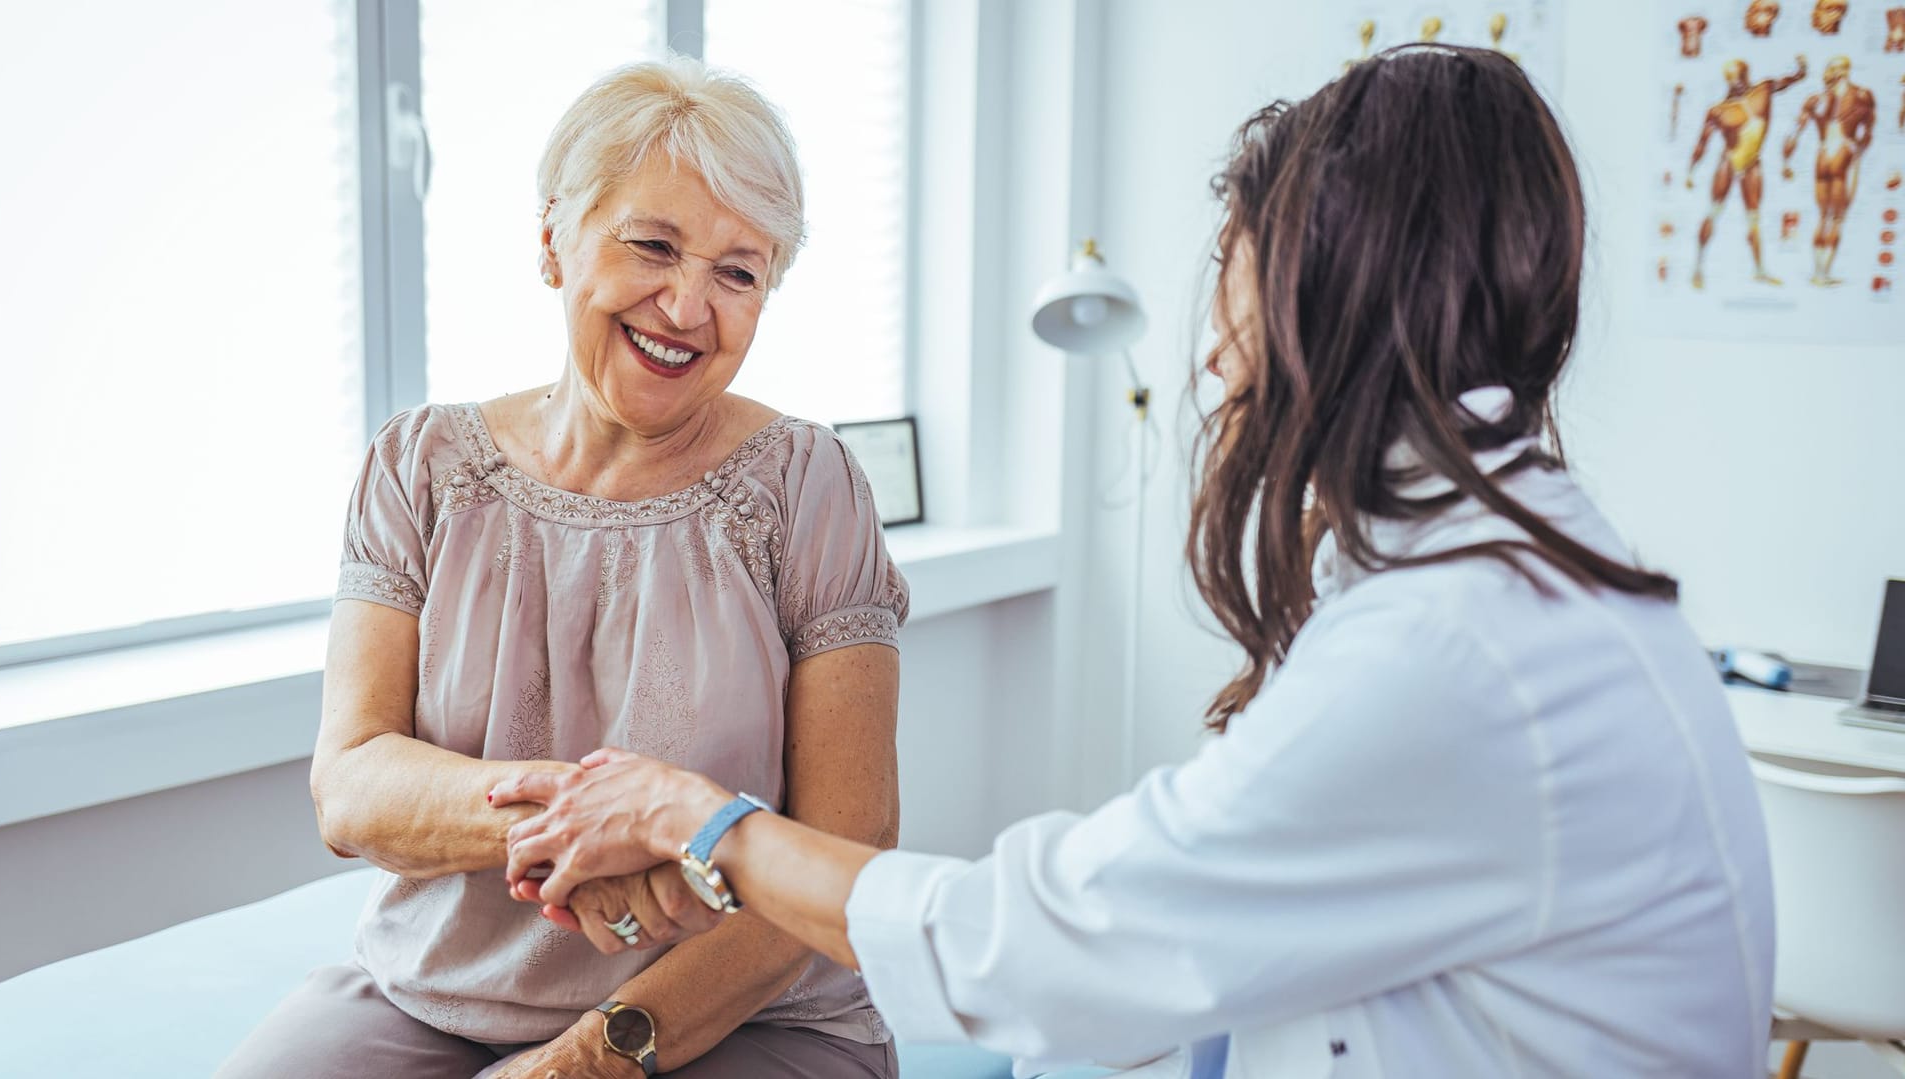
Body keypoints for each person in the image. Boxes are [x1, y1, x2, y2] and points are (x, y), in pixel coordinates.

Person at [491, 46, 1776, 1079]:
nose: (1213, 351)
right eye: (650, 247)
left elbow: (1053, 942)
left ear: (1323, 285)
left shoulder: (1454, 643)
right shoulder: (1489, 574)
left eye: (1233, 265)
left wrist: (694, 817)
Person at [218, 58, 908, 1079]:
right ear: (554, 241)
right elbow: (353, 785)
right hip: (433, 996)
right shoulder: (420, 465)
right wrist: (591, 822)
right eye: (653, 245)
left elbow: (851, 843)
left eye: (738, 270)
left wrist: (593, 1052)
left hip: (754, 1008)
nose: (686, 304)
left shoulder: (811, 486)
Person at [1688, 56, 1810, 288]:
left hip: (1752, 163)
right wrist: (1691, 171)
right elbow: (1702, 143)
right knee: (1713, 212)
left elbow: (1787, 82)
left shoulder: (1763, 90)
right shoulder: (1719, 110)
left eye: (1740, 74)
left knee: (1753, 219)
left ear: (1746, 73)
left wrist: (1800, 72)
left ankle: (1759, 270)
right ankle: (1697, 267)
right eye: (1732, 77)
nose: (1737, 80)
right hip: (1729, 161)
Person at [1783, 56, 1877, 286]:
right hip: (1844, 150)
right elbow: (1867, 132)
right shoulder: (1862, 94)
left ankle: (1817, 272)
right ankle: (1824, 273)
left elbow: (1794, 133)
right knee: (1837, 218)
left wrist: (1786, 162)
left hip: (1823, 154)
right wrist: (1857, 153)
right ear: (1847, 70)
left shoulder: (1815, 99)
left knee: (1823, 216)